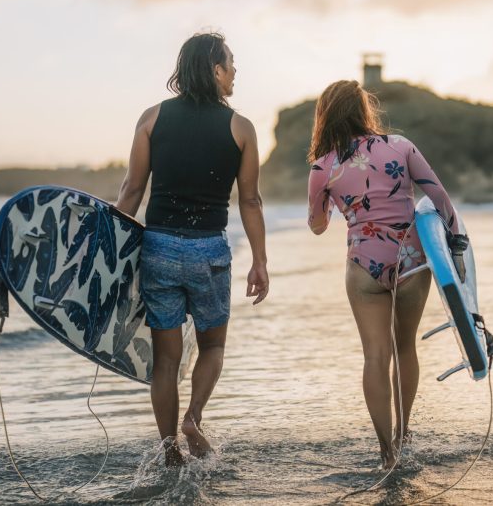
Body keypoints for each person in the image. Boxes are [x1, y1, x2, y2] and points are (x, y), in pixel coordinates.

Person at [114, 32, 270, 466]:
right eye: (231, 63)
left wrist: (104, 252)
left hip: (158, 248)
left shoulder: (151, 118)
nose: (235, 71)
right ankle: (193, 418)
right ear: (215, 70)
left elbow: (131, 191)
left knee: (165, 361)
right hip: (208, 252)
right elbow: (250, 201)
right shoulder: (240, 127)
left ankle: (169, 453)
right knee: (213, 347)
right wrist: (259, 260)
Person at [307, 80, 462, 470]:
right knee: (405, 347)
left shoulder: (322, 166)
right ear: (363, 110)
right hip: (412, 260)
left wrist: (333, 201)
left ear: (325, 116)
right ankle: (404, 433)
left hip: (364, 266)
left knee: (376, 356)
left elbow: (318, 225)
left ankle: (386, 454)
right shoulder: (400, 146)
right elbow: (439, 197)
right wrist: (457, 245)